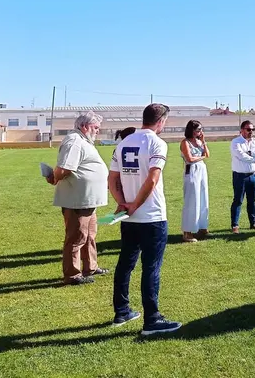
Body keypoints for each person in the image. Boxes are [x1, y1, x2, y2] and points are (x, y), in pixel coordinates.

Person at [108, 103, 182, 335]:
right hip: (151, 216)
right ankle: (152, 319)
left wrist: (122, 203)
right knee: (151, 267)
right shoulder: (156, 143)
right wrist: (134, 206)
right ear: (161, 121)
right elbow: (151, 180)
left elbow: (112, 179)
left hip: (129, 218)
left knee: (125, 264)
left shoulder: (123, 143)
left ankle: (122, 311)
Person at [47, 111, 110, 285]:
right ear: (84, 126)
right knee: (77, 237)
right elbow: (64, 167)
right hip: (77, 199)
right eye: (95, 127)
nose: (97, 131)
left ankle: (90, 266)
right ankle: (72, 274)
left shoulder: (83, 141)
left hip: (87, 199)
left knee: (90, 235)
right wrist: (54, 178)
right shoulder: (74, 141)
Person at [230, 120, 255, 234]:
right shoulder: (236, 142)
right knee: (238, 200)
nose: (251, 131)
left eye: (252, 129)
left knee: (252, 200)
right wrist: (254, 157)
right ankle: (235, 225)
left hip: (253, 175)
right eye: (248, 129)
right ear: (241, 130)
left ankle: (253, 223)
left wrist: (250, 153)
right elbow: (241, 156)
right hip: (240, 176)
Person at [180, 120, 210, 242]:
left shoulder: (199, 141)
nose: (200, 132)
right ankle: (187, 231)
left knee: (203, 197)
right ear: (191, 130)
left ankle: (202, 226)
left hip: (202, 170)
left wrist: (203, 141)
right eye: (198, 130)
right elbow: (190, 158)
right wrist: (202, 157)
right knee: (192, 200)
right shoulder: (185, 142)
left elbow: (207, 153)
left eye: (201, 130)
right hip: (192, 170)